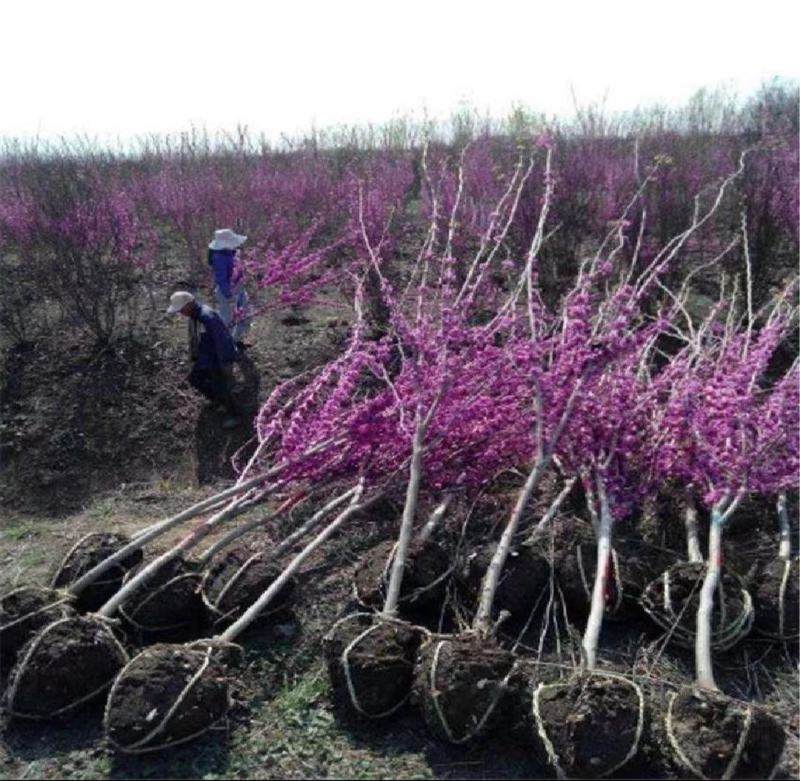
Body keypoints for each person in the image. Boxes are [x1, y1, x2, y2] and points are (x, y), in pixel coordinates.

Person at [166, 291, 241, 429]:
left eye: (181, 309)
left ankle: (234, 414)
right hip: (205, 358)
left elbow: (222, 340)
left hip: (216, 359)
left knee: (221, 386)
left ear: (188, 305)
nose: (181, 313)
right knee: (195, 379)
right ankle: (218, 400)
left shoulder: (207, 317)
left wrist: (225, 362)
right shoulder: (196, 316)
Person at [207, 228, 252, 350]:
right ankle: (226, 346)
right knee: (228, 320)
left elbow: (238, 269)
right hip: (227, 292)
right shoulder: (219, 257)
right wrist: (229, 295)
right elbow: (221, 278)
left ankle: (236, 340)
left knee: (246, 314)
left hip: (239, 288)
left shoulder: (231, 253)